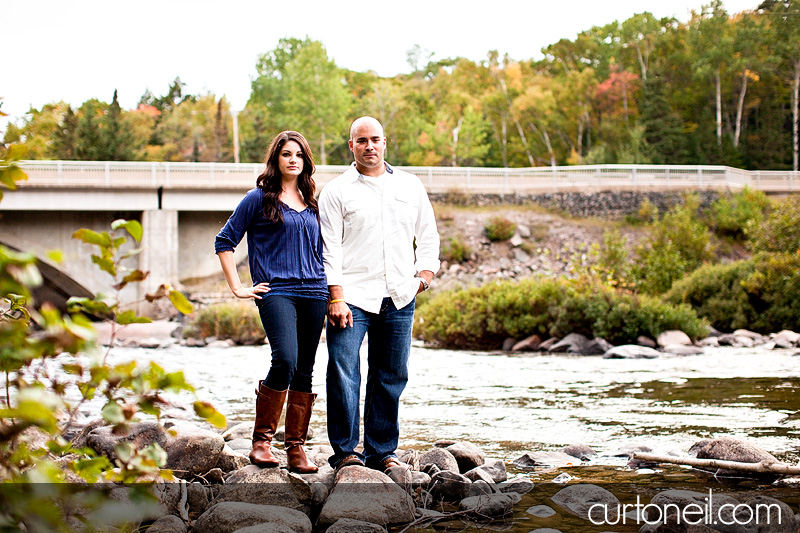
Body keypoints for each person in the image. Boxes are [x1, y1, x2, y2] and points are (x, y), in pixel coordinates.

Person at [319, 116, 440, 474]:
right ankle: (344, 452)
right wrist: (335, 296)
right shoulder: (337, 191)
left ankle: (381, 451)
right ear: (351, 146)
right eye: (361, 141)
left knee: (391, 374)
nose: (369, 146)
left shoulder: (410, 186)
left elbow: (428, 235)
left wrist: (424, 277)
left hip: (400, 295)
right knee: (343, 371)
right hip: (352, 296)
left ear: (385, 142)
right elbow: (330, 250)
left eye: (375, 139)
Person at [214, 131, 327, 473]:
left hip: (315, 292)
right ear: (276, 160)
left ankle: (295, 448)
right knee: (286, 361)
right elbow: (225, 240)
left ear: (306, 161)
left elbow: (327, 249)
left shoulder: (313, 201)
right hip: (276, 291)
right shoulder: (258, 198)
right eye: (286, 154)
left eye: (299, 155)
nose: (293, 159)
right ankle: (262, 441)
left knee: (304, 370)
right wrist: (237, 288)